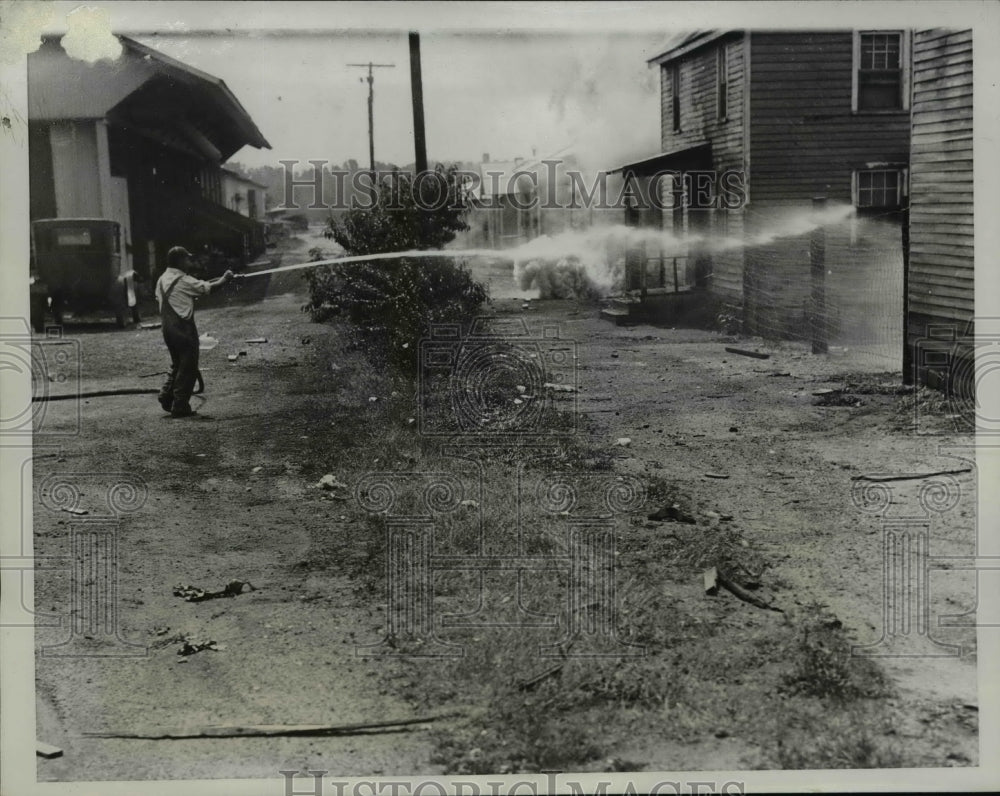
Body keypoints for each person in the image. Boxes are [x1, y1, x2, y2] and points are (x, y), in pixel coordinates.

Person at [155, 246, 239, 418]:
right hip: (183, 329)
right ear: (179, 261)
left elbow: (198, 286)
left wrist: (220, 279)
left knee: (177, 364)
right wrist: (225, 279)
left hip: (167, 328)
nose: (189, 262)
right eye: (187, 259)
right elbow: (207, 289)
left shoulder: (162, 279)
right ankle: (180, 405)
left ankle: (166, 396)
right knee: (188, 366)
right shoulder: (184, 280)